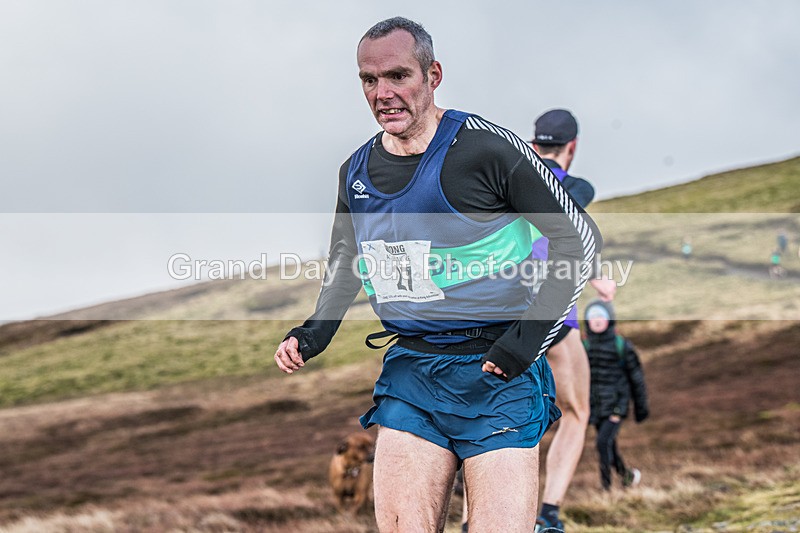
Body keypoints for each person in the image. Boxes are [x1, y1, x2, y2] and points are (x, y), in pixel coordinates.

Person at [273, 17, 602, 533]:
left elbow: (578, 239)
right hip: (413, 372)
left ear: (433, 75)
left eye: (398, 76)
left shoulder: (486, 148)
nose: (382, 93)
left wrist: (525, 341)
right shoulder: (356, 171)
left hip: (499, 374)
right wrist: (313, 333)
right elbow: (346, 260)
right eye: (368, 80)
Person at [583, 299, 649, 491]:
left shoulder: (622, 346)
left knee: (602, 442)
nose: (596, 320)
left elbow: (637, 379)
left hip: (616, 406)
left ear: (609, 319)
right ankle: (627, 475)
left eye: (600, 316)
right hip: (595, 407)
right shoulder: (583, 346)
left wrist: (641, 409)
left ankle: (606, 489)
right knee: (609, 446)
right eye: (592, 316)